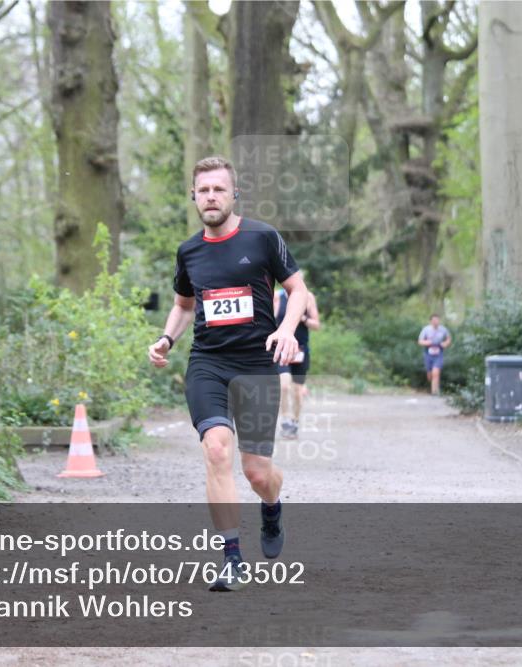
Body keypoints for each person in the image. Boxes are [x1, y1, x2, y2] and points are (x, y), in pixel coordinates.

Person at [148, 156, 308, 592]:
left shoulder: (262, 237)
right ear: (194, 197)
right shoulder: (189, 251)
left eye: (219, 189)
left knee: (258, 474)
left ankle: (272, 507)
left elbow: (297, 289)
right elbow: (183, 306)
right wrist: (166, 339)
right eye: (204, 190)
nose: (211, 196)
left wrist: (287, 329)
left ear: (233, 193)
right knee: (217, 450)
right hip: (208, 364)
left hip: (257, 365)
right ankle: (232, 558)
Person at [273, 286, 320, 439]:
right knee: (284, 385)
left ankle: (295, 421)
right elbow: (270, 322)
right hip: (282, 349)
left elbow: (316, 325)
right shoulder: (277, 297)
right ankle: (285, 419)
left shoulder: (308, 296)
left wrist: (303, 318)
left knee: (298, 392)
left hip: (300, 351)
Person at [418, 314, 451, 395]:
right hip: (428, 353)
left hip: (439, 353)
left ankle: (435, 392)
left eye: (437, 320)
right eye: (434, 320)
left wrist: (445, 343)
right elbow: (420, 341)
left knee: (436, 372)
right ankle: (432, 384)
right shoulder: (426, 329)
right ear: (431, 321)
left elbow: (449, 338)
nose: (436, 322)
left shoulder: (443, 329)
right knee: (430, 374)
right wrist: (427, 342)